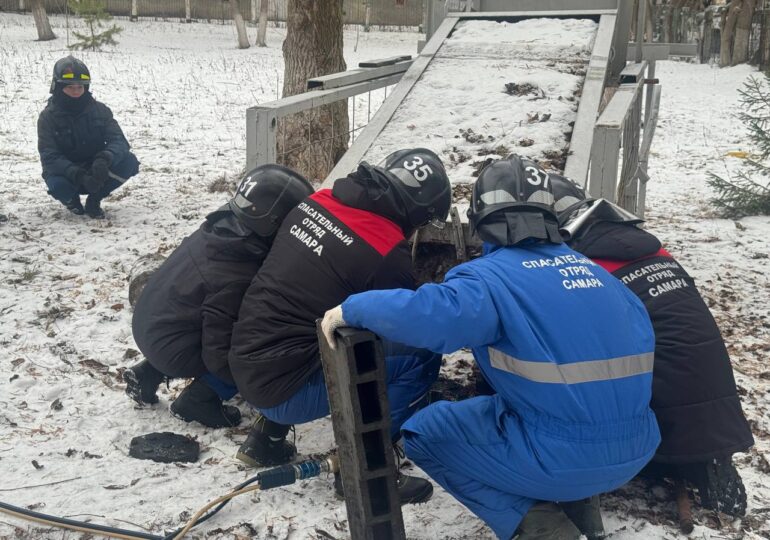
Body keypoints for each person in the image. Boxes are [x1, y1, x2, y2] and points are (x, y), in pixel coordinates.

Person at [320, 154, 661, 540]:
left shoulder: (492, 279)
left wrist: (354, 307)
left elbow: (432, 315)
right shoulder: (600, 274)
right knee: (559, 408)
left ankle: (538, 524)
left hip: (561, 456)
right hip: (637, 448)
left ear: (480, 220)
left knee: (426, 433)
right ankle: (585, 513)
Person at [228, 148, 450, 503]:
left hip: (244, 361)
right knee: (421, 356)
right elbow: (407, 326)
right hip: (288, 392)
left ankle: (266, 439)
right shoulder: (385, 253)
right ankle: (364, 468)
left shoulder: (319, 201)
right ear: (418, 212)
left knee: (308, 314)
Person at [550, 174, 754, 517]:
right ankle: (702, 457)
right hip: (716, 383)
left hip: (661, 397)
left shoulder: (582, 263)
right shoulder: (650, 247)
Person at [127, 165, 314, 428]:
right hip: (170, 345)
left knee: (190, 317)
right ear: (273, 223)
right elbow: (220, 349)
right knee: (250, 348)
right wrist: (246, 380)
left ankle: (149, 372)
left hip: (152, 324)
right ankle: (200, 400)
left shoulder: (219, 233)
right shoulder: (236, 273)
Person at [37, 55, 139, 219]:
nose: (76, 92)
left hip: (96, 170)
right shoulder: (47, 117)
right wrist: (77, 174)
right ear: (58, 87)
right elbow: (49, 156)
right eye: (70, 87)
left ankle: (95, 199)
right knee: (58, 186)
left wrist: (105, 158)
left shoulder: (101, 110)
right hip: (68, 173)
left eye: (80, 87)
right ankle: (71, 201)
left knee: (130, 162)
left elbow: (119, 141)